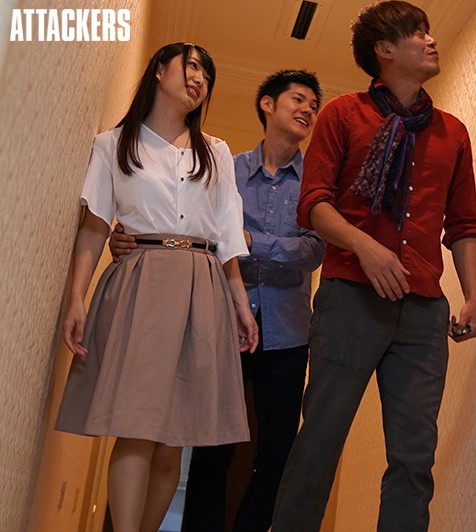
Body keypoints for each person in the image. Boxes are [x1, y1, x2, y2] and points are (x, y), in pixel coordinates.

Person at [270, 2, 476, 530]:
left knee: (414, 457)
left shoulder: (453, 133)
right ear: (385, 50)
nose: (430, 40)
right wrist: (365, 246)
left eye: (428, 31)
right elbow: (313, 203)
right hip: (349, 298)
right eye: (417, 32)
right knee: (320, 439)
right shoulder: (343, 114)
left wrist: (473, 296)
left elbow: (463, 222)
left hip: (424, 310)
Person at [109, 70, 325, 531]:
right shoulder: (224, 166)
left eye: (313, 105)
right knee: (210, 448)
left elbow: (313, 250)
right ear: (267, 104)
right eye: (298, 99)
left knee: (276, 454)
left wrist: (249, 240)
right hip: (221, 321)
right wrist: (126, 235)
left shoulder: (316, 183)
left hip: (287, 334)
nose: (308, 110)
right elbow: (185, 221)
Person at [55, 43, 258, 532]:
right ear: (160, 71)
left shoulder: (217, 152)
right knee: (136, 427)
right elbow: (94, 227)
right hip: (141, 282)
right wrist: (76, 298)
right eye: (192, 66)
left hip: (202, 285)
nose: (199, 79)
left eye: (207, 74)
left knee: (175, 437)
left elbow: (227, 235)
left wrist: (240, 305)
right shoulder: (113, 144)